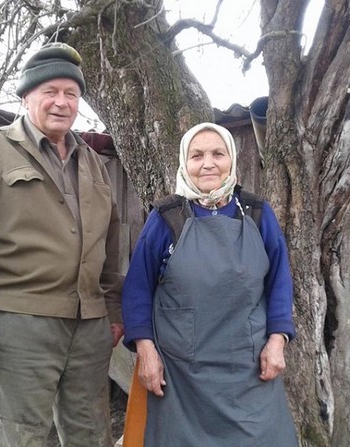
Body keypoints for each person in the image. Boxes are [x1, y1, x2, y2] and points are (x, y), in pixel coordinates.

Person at [0, 42, 124, 447]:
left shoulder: (92, 161)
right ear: (25, 97)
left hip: (89, 328)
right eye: (50, 92)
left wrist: (111, 310)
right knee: (17, 437)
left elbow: (109, 242)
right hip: (19, 325)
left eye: (71, 93)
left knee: (92, 437)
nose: (62, 102)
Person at [122, 122, 298, 445]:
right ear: (184, 163)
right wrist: (145, 351)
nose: (208, 164)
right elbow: (137, 289)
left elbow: (280, 282)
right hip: (180, 373)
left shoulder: (257, 214)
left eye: (218, 154)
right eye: (197, 155)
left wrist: (278, 340)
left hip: (249, 367)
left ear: (231, 159)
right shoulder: (167, 217)